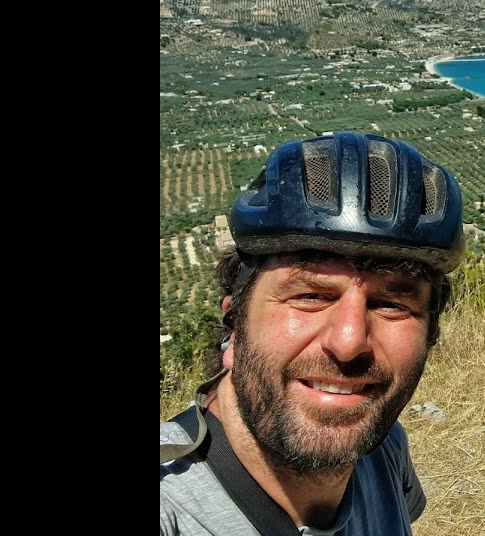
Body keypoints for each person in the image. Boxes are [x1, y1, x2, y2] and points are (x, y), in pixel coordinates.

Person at [160, 131, 466, 535]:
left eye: (392, 304)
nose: (349, 342)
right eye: (310, 296)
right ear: (235, 325)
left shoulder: (383, 450)